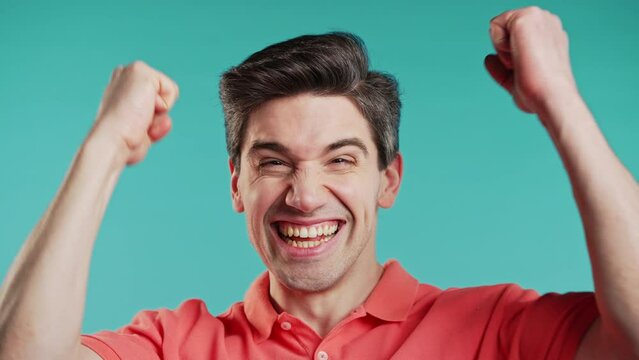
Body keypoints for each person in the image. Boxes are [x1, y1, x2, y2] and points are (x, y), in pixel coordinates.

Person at [0, 6, 637, 360]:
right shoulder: (175, 346)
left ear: (389, 180)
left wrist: (560, 100)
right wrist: (104, 147)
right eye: (274, 161)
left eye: (339, 159)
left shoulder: (498, 329)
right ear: (236, 186)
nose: (305, 195)